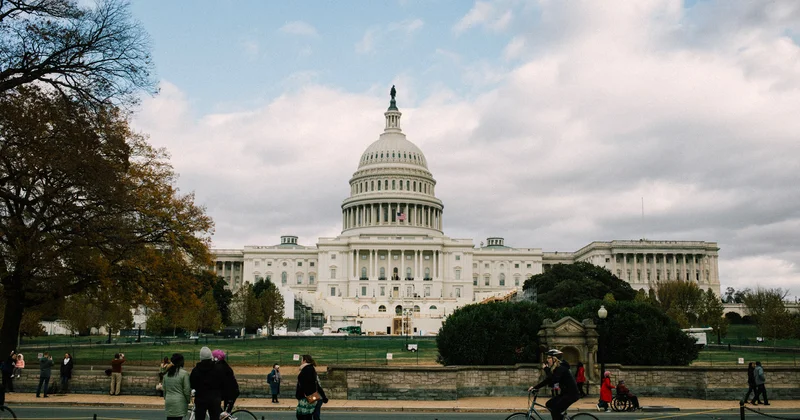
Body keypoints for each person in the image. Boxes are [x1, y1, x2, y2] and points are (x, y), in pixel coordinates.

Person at [527, 349, 579, 420]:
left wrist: (546, 369)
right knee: (549, 404)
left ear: (554, 359)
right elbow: (548, 380)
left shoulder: (561, 368)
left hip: (571, 395)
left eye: (549, 358)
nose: (547, 360)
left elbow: (554, 380)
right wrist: (535, 387)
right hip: (565, 394)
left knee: (555, 409)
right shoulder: (557, 368)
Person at [189, 346, 225, 420]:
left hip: (200, 398)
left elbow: (192, 384)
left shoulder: (196, 370)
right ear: (210, 356)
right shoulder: (218, 369)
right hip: (215, 398)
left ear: (200, 357)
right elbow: (223, 382)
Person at [163, 353, 191, 420]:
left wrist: (166, 398)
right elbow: (187, 390)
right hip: (180, 402)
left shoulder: (166, 374)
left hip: (169, 401)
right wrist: (188, 400)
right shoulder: (184, 374)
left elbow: (164, 390)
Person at [212, 349, 240, 415]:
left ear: (216, 359)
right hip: (228, 391)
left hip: (231, 393)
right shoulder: (223, 365)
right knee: (222, 412)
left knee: (225, 414)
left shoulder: (219, 368)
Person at [296, 354, 319, 420]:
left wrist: (306, 393)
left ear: (305, 361)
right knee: (305, 415)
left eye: (301, 359)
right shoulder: (309, 368)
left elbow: (306, 383)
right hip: (307, 395)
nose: (301, 361)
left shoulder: (307, 369)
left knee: (304, 415)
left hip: (306, 397)